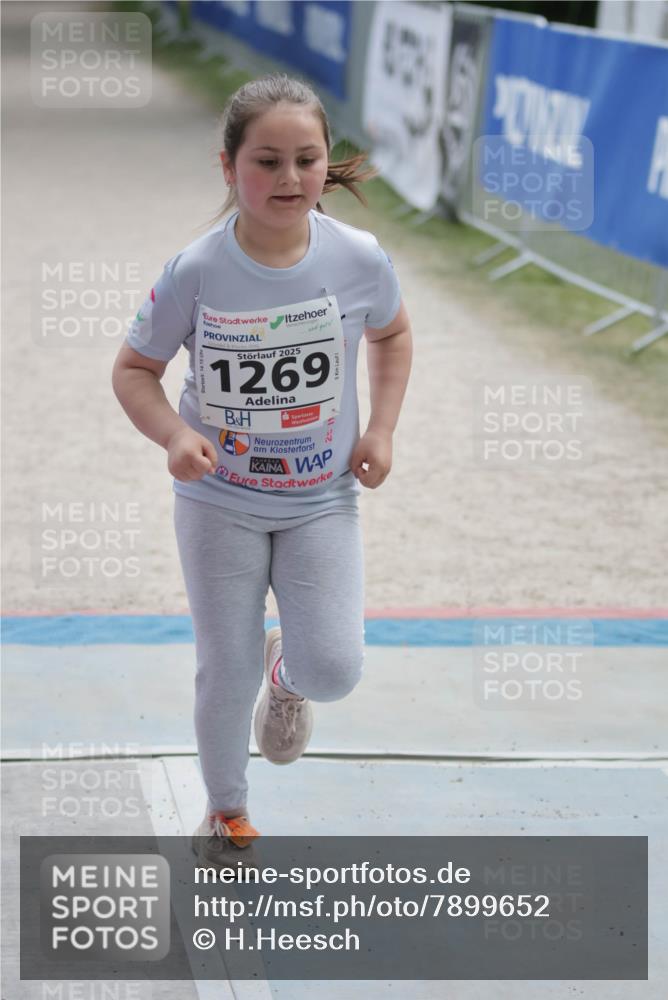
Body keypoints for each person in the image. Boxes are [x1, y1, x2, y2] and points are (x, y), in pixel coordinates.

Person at [112, 72, 412, 868]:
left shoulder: (359, 259)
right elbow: (133, 370)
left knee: (335, 669)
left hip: (322, 502)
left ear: (326, 164)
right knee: (225, 662)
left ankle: (290, 675)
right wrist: (175, 435)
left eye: (306, 161)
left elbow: (392, 335)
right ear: (228, 167)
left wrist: (380, 427)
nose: (289, 180)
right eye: (267, 162)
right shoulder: (196, 271)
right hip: (218, 501)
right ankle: (229, 811)